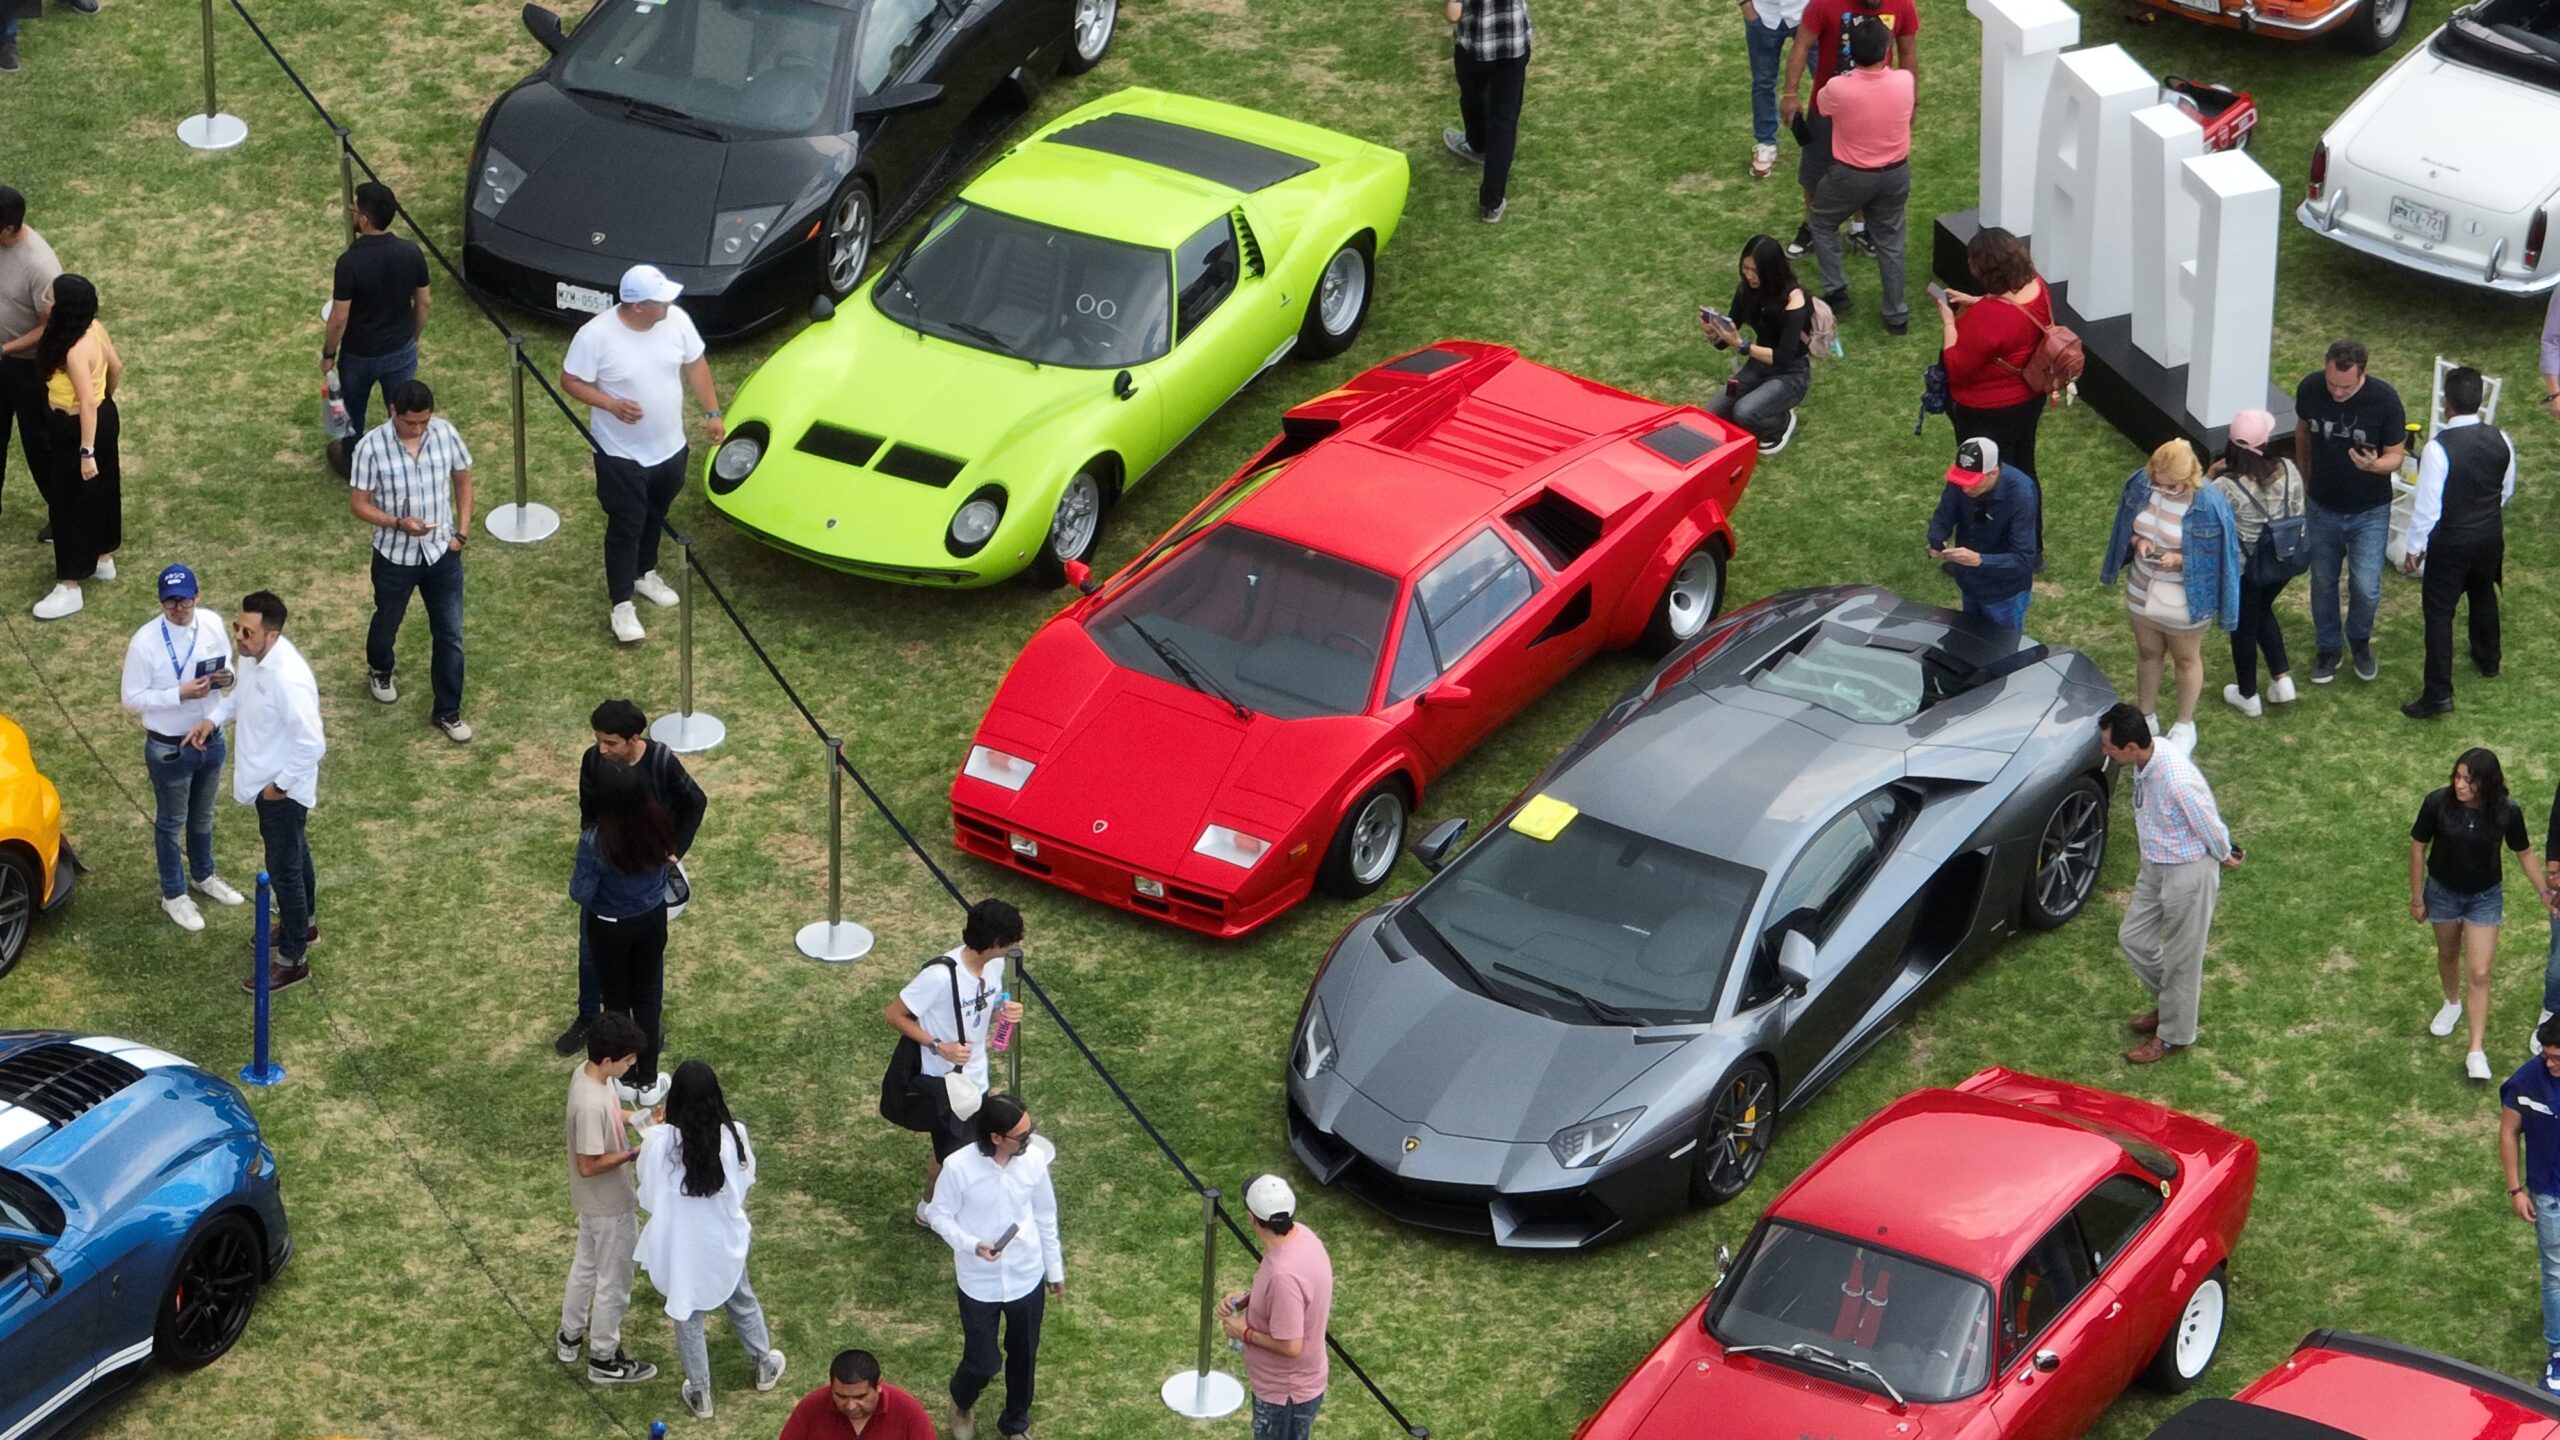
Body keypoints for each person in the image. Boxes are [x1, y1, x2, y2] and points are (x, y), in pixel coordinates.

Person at [560, 263, 723, 645]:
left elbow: (696, 364)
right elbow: (570, 380)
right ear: (637, 306)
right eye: (660, 299)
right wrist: (610, 404)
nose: (670, 303)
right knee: (625, 525)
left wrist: (713, 412)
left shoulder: (676, 320)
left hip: (670, 447)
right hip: (621, 455)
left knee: (656, 513)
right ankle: (621, 606)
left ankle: (644, 573)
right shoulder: (595, 336)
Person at [633, 1059, 786, 1420]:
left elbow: (649, 1194)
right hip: (723, 1240)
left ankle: (701, 1393)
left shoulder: (659, 1143)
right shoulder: (734, 1135)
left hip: (679, 1244)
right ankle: (764, 1363)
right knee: (741, 1297)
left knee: (686, 1313)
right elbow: (746, 1181)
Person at [556, 699, 707, 1057]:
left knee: (647, 960)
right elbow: (587, 812)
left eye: (610, 743)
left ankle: (646, 1027)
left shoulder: (660, 761)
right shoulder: (593, 761)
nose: (601, 749)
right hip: (607, 877)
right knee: (590, 954)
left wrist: (675, 850)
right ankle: (589, 1017)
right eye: (599, 741)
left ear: (633, 738)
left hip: (647, 881)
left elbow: (695, 801)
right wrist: (595, 853)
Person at [2097, 705, 2239, 1065]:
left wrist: (2224, 853)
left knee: (2182, 957)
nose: (2105, 753)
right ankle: (2173, 1002)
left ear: (2131, 748)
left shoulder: (2178, 780)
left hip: (2188, 872)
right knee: (2133, 938)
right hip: (2156, 864)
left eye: (2109, 748)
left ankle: (2174, 1035)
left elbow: (2209, 824)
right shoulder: (2147, 756)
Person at [922, 1093, 1062, 1440]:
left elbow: (1045, 1214)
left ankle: (1015, 1425)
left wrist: (1054, 1269)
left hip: (1026, 1276)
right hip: (978, 1281)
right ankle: (961, 1400)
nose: (1030, 1141)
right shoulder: (958, 1167)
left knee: (1024, 1355)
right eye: (1022, 1136)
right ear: (996, 1137)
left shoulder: (1033, 1161)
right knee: (983, 1361)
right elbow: (938, 1214)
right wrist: (971, 1244)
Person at [119, 563, 247, 932]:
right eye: (170, 602)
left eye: (185, 600)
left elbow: (231, 670)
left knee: (203, 815)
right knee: (171, 821)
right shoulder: (145, 642)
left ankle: (204, 875)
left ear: (198, 596)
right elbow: (131, 698)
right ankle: (173, 894)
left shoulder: (210, 623)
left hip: (210, 735)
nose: (178, 608)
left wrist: (228, 677)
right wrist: (179, 694)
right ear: (161, 603)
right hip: (169, 746)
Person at [886, 899, 1028, 1220]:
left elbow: (982, 1019)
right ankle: (931, 1211)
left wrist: (1003, 1016)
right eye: (1011, 941)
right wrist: (939, 1046)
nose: (1015, 947)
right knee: (956, 1158)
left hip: (976, 1079)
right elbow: (894, 1014)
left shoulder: (993, 967)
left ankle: (932, 1209)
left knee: (959, 1153)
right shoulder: (938, 976)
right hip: (947, 1086)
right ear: (994, 942)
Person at [2412, 749, 2547, 1083]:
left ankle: (2476, 1050)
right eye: (2457, 777)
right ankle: (2452, 1002)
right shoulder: (2437, 804)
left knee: (2480, 971)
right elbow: (2418, 847)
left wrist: (2544, 891)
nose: (2460, 785)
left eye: (2469, 781)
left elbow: (2524, 851)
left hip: (2484, 897)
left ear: (2486, 783)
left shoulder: (2506, 812)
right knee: (2448, 954)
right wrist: (2417, 898)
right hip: (2442, 892)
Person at [349, 380, 473, 742]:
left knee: (450, 633)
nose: (418, 429)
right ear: (393, 411)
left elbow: (463, 481)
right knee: (388, 619)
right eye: (410, 423)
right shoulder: (371, 447)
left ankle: (448, 711)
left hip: (441, 553)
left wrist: (461, 534)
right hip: (394, 556)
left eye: (423, 422)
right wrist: (397, 523)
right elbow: (359, 504)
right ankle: (380, 667)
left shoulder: (446, 433)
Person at [2101, 439, 2239, 755]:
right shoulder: (2141, 483)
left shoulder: (2209, 503)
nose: (2164, 491)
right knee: (2148, 652)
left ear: (2188, 477)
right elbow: (2129, 525)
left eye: (2172, 487)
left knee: (2186, 659)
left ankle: (2184, 725)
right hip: (2142, 585)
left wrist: (2180, 559)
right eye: (2159, 485)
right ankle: (2146, 717)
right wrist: (2139, 542)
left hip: (2188, 596)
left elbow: (2223, 557)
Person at [2400, 366, 2514, 720]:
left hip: (2451, 543)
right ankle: (2488, 659)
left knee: (2438, 613)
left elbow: (2428, 507)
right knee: (2482, 593)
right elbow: (2505, 490)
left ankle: (2438, 693)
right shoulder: (2501, 438)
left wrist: (2414, 548)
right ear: (2478, 402)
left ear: (2447, 404)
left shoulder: (2438, 449)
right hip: (2489, 535)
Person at [2293, 338, 2406, 685]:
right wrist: (2303, 474)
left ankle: (2359, 640)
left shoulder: (2384, 401)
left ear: (2363, 373)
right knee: (2323, 582)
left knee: (2366, 586)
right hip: (2322, 505)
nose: (2336, 393)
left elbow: (2396, 455)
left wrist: (2374, 466)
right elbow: (2302, 431)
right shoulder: (2311, 388)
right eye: (2331, 384)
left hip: (2369, 511)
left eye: (2345, 386)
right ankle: (2328, 648)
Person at [557, 1011, 658, 1387]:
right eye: (628, 1059)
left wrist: (642, 1119)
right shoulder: (590, 1104)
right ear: (607, 1059)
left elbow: (612, 1114)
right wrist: (633, 1153)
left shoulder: (589, 1077)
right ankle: (603, 1357)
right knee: (614, 1282)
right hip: (609, 1205)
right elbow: (588, 1164)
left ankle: (570, 1335)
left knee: (584, 1267)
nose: (633, 1064)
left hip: (591, 1204)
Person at [231, 591, 324, 994]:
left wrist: (279, 787)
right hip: (267, 784)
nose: (239, 636)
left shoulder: (289, 678)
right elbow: (239, 699)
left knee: (285, 871)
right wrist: (211, 720)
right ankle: (302, 926)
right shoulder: (252, 658)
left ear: (271, 635)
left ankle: (292, 960)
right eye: (237, 626)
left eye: (247, 632)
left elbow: (312, 743)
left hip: (282, 793)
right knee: (296, 855)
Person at [1779, 0, 1918, 261]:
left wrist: (1912, 99)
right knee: (1815, 171)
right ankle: (1811, 225)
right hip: (1828, 106)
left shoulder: (1903, 5)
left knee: (1865, 168)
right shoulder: (1823, 4)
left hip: (1874, 110)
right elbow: (1801, 45)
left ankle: (1860, 228)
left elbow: (1908, 53)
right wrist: (1790, 93)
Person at [573, 762, 676, 1109]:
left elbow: (580, 891)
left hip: (608, 925)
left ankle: (623, 1076)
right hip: (650, 919)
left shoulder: (595, 840)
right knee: (648, 997)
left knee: (615, 999)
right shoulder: (660, 823)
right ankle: (647, 1078)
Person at [1802, 19, 1914, 336]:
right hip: (1895, 173)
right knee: (1891, 241)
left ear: (1852, 51)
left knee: (1821, 221)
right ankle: (1896, 314)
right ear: (1886, 50)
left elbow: (1822, 107)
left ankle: (1836, 290)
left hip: (1851, 176)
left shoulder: (1839, 88)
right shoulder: (1905, 82)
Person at [29, 272, 120, 620]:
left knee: (68, 501)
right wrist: (108, 397)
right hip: (102, 417)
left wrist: (86, 451)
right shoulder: (93, 327)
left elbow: (85, 402)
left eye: (50, 297)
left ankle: (69, 585)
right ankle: (102, 557)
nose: (45, 301)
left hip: (79, 428)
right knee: (104, 489)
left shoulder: (72, 349)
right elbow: (116, 365)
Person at [1218, 1174, 1334, 1440]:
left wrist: (1243, 1332)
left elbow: (1291, 1346)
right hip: (1296, 1388)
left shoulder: (1284, 1275)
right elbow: (1296, 1297)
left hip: (1285, 1396)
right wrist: (1247, 1299)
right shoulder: (1302, 1236)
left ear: (1252, 1219)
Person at [1934, 226, 2049, 485]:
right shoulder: (2037, 285)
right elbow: (2015, 311)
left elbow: (1957, 366)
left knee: (1988, 480)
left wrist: (1949, 322)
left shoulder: (1988, 319)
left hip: (1989, 412)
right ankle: (2028, 523)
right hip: (2030, 398)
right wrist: (1977, 301)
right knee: (2023, 468)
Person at [2209, 409, 2305, 719]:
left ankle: (2247, 694)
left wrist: (2210, 474)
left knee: (2243, 626)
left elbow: (2196, 505)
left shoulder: (2226, 487)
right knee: (2262, 610)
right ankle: (2281, 678)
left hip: (2247, 569)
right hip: (2286, 560)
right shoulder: (2290, 468)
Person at [323, 180, 430, 441]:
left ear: (365, 220)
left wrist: (328, 354)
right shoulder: (411, 252)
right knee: (403, 415)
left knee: (351, 417)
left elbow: (339, 317)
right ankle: (404, 463)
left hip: (359, 355)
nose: (351, 213)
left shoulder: (349, 263)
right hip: (400, 350)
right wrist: (414, 338)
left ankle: (353, 466)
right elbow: (424, 302)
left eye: (354, 209)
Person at [1701, 234, 1811, 454]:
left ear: (1771, 270)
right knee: (1714, 414)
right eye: (1745, 268)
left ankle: (1781, 423)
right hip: (1758, 365)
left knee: (1745, 412)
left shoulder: (1794, 300)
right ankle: (1764, 406)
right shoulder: (1745, 291)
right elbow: (1726, 341)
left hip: (1790, 373)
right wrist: (1714, 332)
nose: (1749, 276)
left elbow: (1783, 358)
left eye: (1755, 271)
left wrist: (1742, 345)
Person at [2498, 1016, 2560, 1397]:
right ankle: (2558, 1349)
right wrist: (2515, 1190)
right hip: (2550, 1193)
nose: (2550, 1064)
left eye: (2557, 1058)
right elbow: (2508, 1132)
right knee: (2556, 1273)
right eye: (2547, 1055)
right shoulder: (2526, 1081)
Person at [1925, 436, 2038, 629]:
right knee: (1970, 640)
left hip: (2004, 593)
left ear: (1993, 473)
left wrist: (1980, 560)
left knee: (2002, 649)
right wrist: (1936, 538)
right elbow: (1945, 511)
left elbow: (2024, 559)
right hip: (1968, 582)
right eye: (1962, 480)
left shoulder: (2021, 494)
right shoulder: (1960, 481)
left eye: (1973, 482)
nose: (1965, 488)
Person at [0, 186, 63, 520]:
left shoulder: (40, 267)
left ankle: (62, 514)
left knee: (39, 445)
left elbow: (50, 327)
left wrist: (5, 348)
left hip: (28, 369)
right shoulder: (2, 241)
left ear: (9, 228)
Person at [1441, 0, 1532, 225]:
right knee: (1504, 122)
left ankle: (1477, 145)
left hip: (1473, 45)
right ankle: (1491, 203)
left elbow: (1453, 13)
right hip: (1513, 43)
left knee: (1472, 95)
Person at [778, 1350, 936, 1440]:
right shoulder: (811, 1407)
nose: (850, 1406)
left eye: (860, 1397)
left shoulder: (908, 1411)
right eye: (841, 1396)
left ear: (879, 1385)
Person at [1740, 0, 1809, 182]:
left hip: (1806, 13)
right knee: (1763, 83)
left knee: (1824, 78)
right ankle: (1765, 143)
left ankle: (1829, 143)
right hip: (1763, 15)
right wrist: (1746, 6)